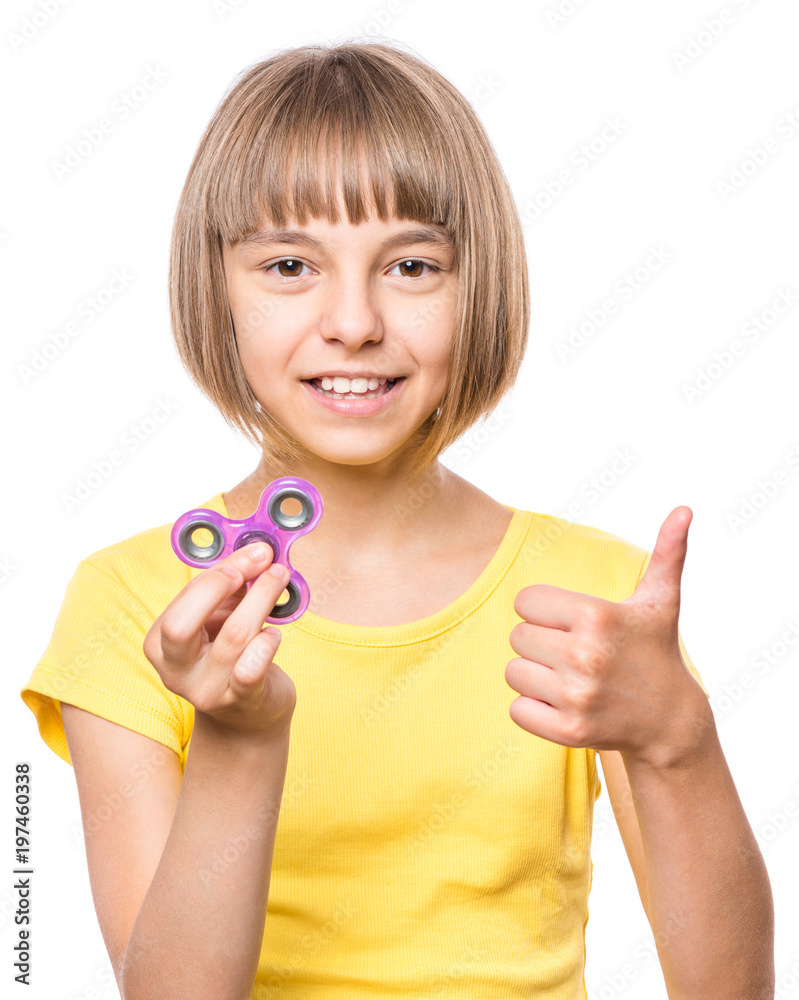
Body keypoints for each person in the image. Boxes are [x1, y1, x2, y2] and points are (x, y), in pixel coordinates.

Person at [20, 39, 774, 1000]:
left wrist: (679, 739)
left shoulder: (596, 600)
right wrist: (239, 740)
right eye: (290, 264)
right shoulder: (133, 600)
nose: (352, 321)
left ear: (480, 283)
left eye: (411, 265)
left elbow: (729, 992)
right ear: (217, 288)